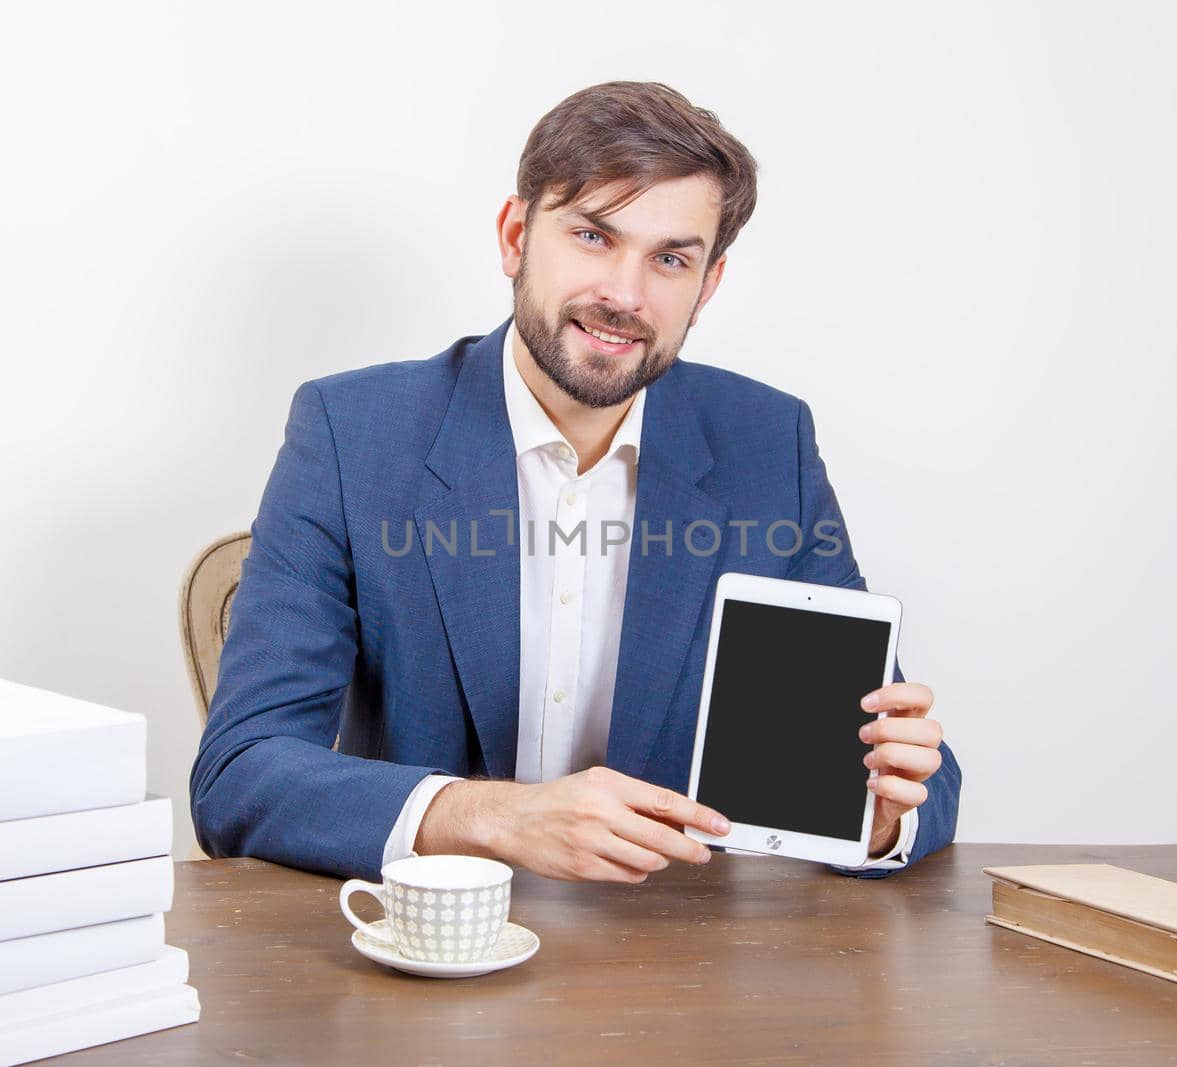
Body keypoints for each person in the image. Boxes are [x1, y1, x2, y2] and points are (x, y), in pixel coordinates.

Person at [191, 81, 960, 884]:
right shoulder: (353, 434)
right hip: (427, 953)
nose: (625, 295)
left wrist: (875, 817)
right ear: (516, 235)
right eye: (593, 236)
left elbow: (919, 782)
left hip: (678, 967)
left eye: (670, 259)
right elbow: (241, 772)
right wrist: (491, 816)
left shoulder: (769, 447)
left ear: (709, 284)